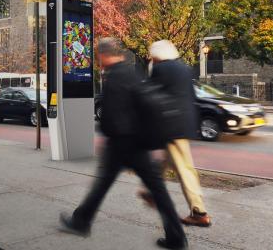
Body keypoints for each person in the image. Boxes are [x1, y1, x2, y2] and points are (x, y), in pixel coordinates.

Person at [59, 38, 187, 250]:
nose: (99, 61)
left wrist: (107, 134)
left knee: (101, 185)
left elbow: (113, 116)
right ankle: (176, 238)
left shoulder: (115, 77)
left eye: (99, 57)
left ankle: (81, 221)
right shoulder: (132, 72)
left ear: (103, 55)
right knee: (157, 191)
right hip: (139, 142)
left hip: (122, 144)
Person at [139, 40, 211, 227]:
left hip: (171, 126)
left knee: (184, 168)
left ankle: (199, 212)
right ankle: (151, 191)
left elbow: (150, 96)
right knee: (166, 161)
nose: (151, 59)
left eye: (153, 56)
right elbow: (192, 97)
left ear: (158, 56)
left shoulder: (160, 69)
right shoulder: (184, 69)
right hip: (183, 125)